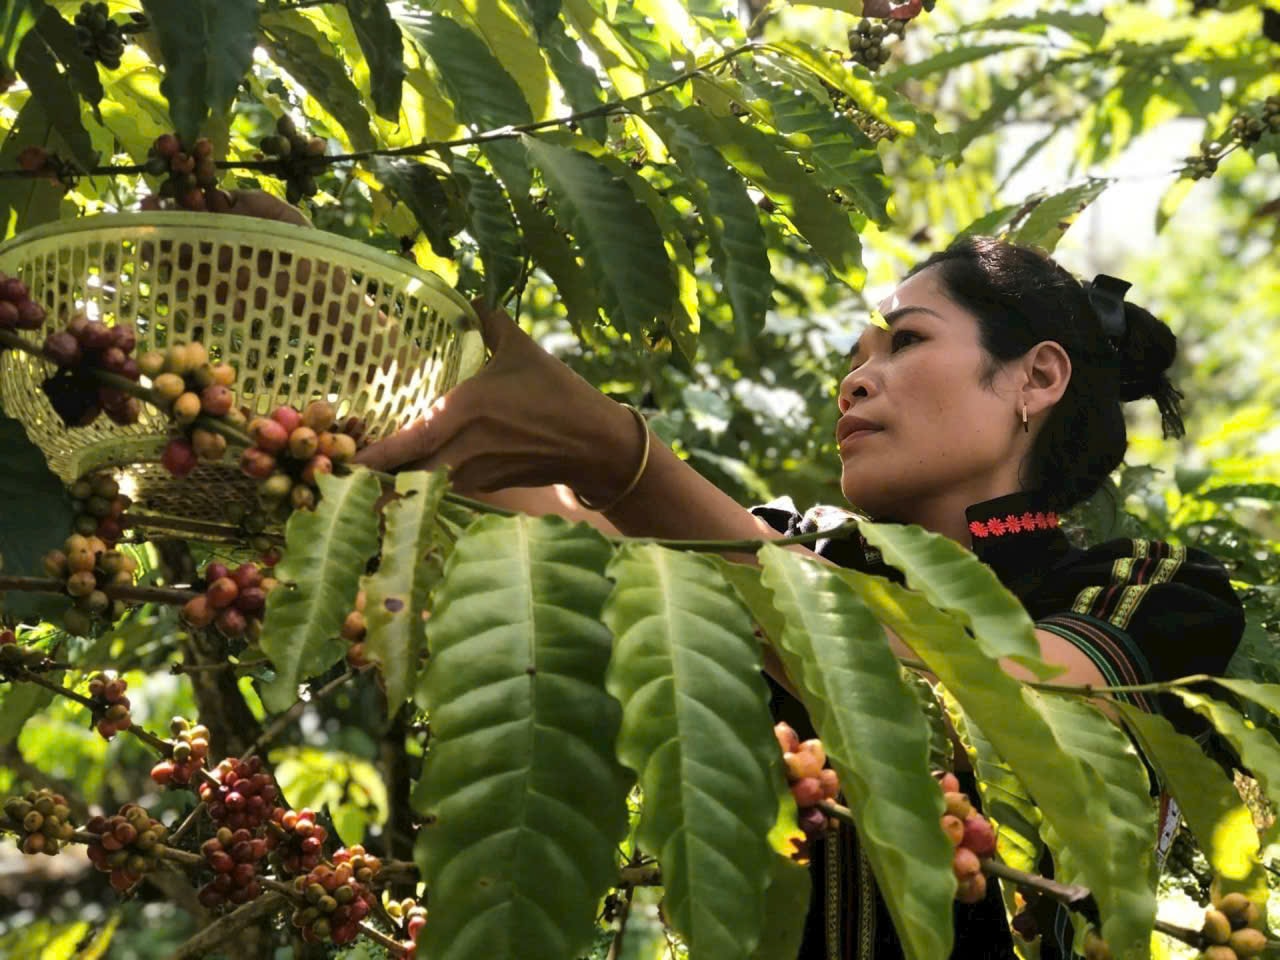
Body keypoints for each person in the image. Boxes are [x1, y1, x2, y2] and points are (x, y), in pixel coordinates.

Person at [233, 195, 1245, 958]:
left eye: (903, 343)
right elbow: (547, 530)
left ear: (1035, 377)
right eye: (852, 356)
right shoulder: (773, 546)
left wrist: (622, 456)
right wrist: (363, 332)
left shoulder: (1144, 589)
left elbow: (999, 701)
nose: (856, 378)